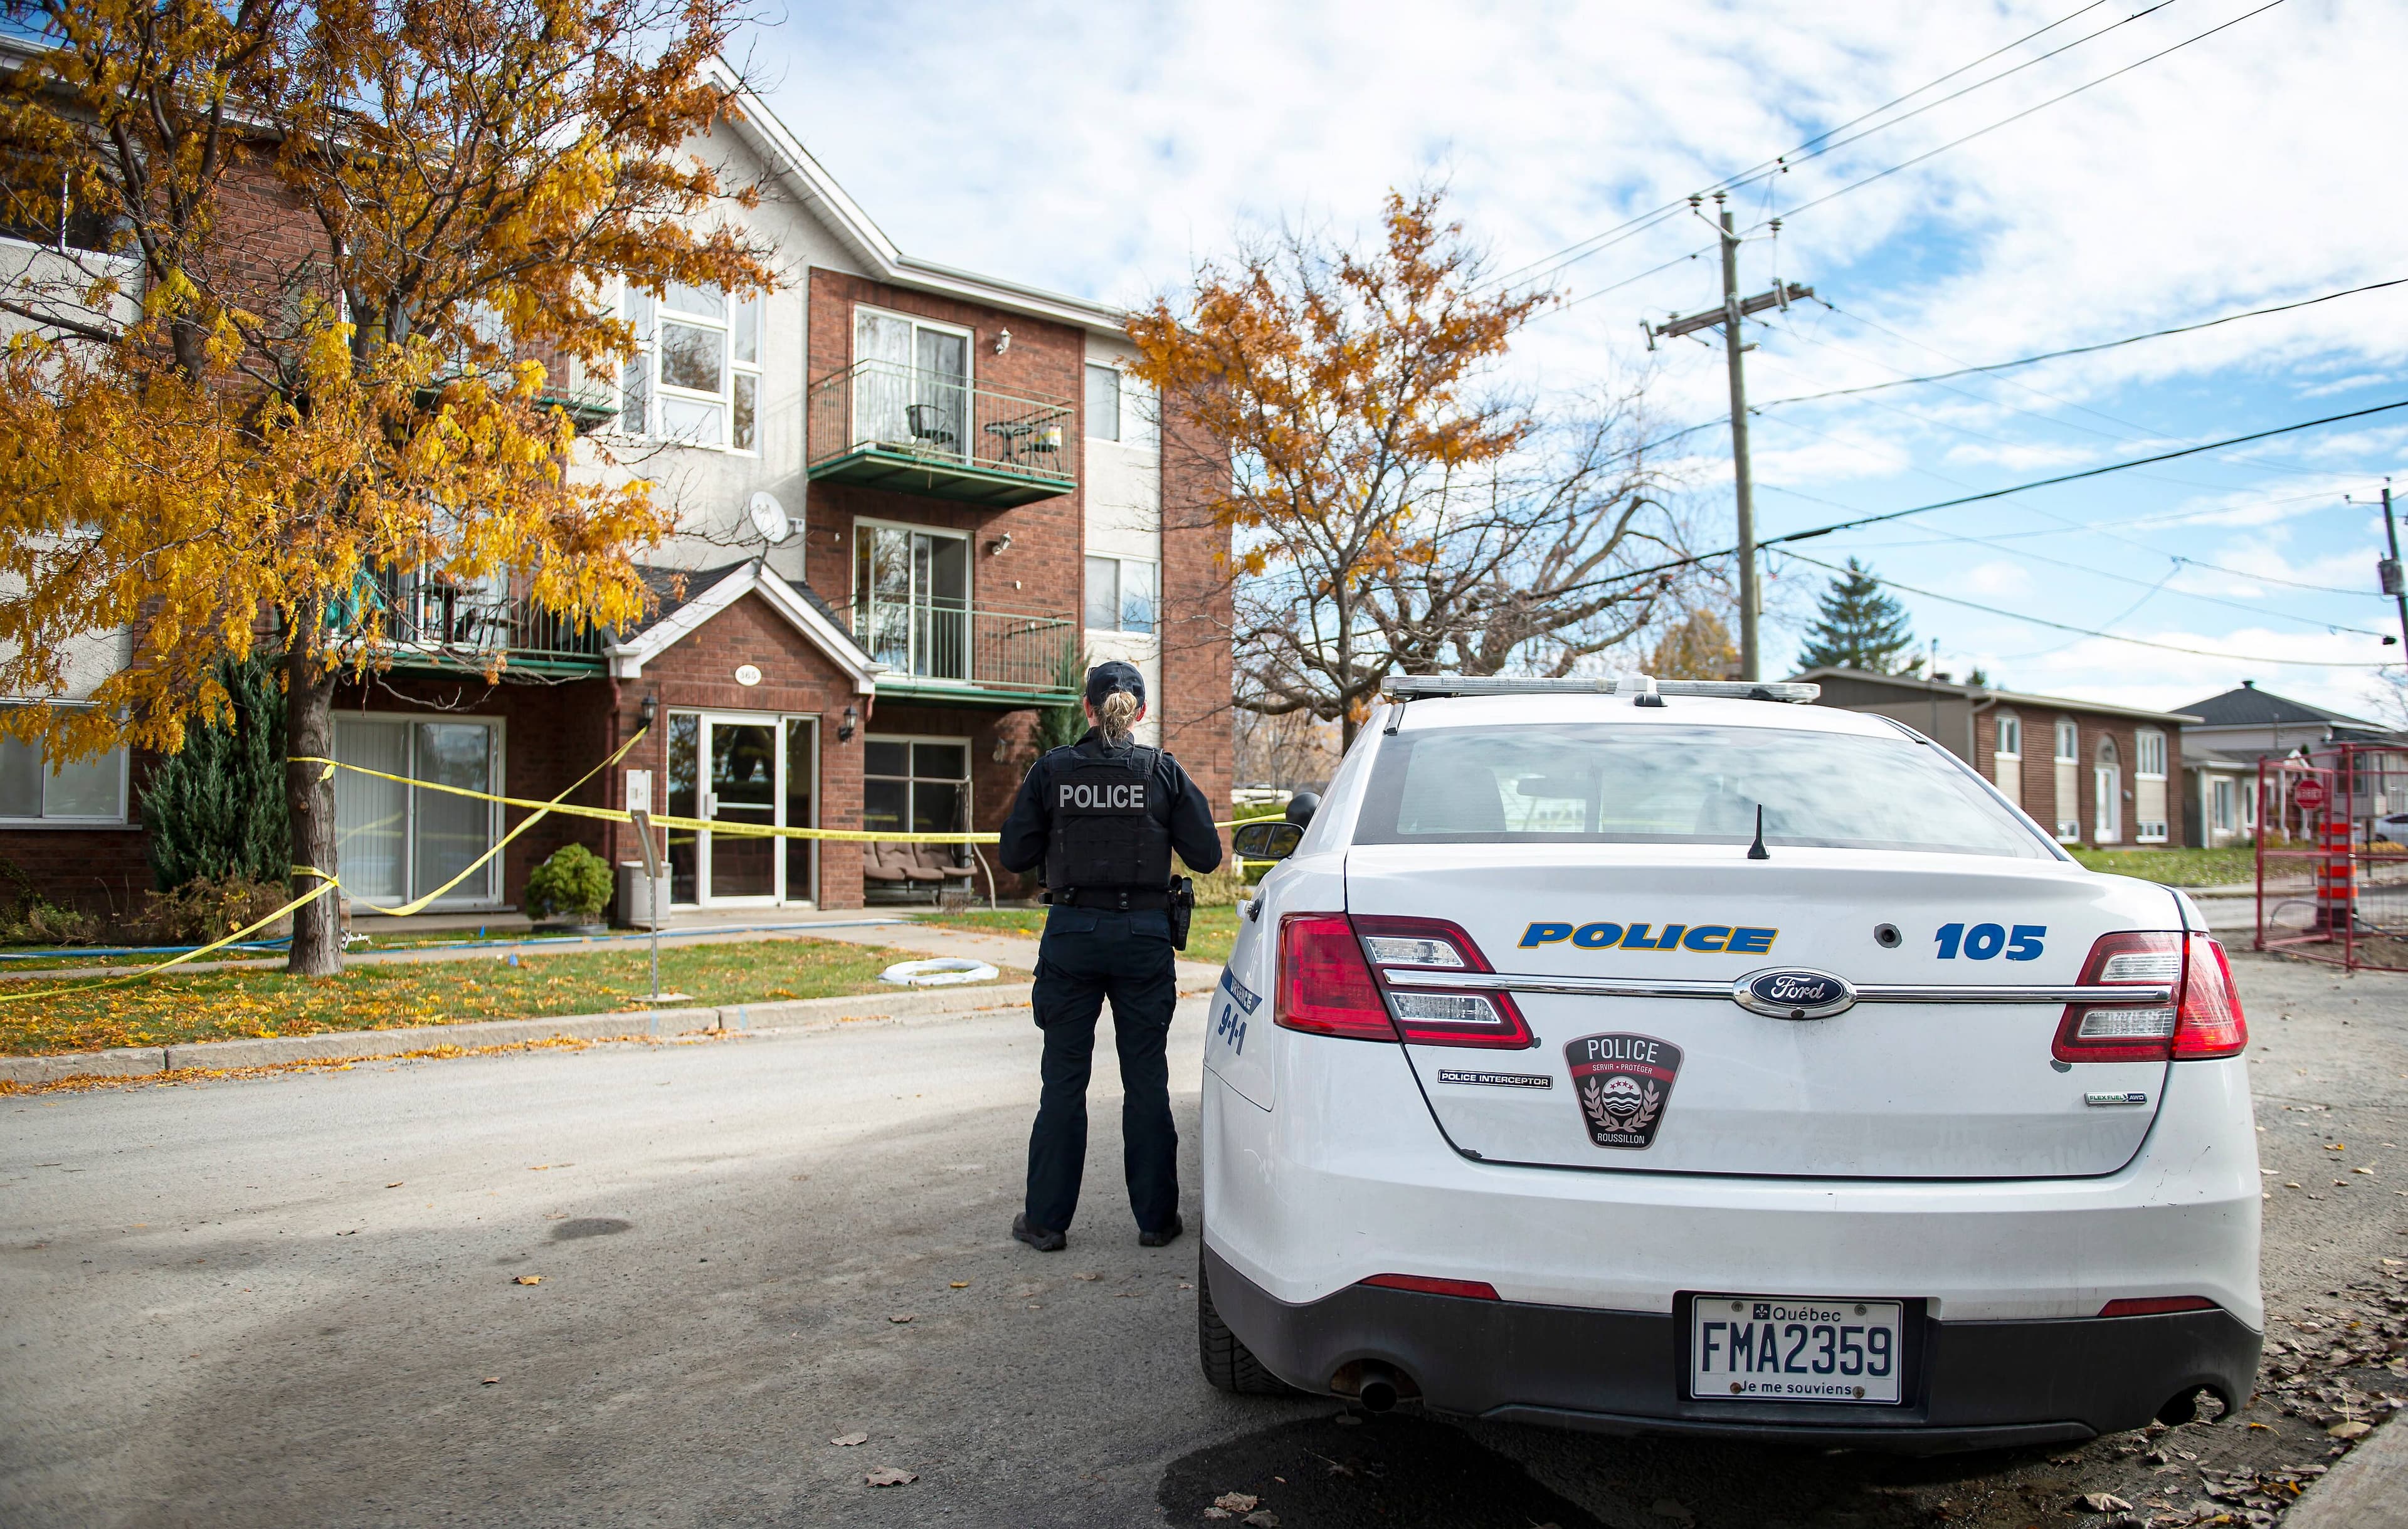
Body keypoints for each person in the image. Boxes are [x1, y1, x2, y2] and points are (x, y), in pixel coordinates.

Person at [996, 660, 1222, 1252]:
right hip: (1143, 937)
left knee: (1063, 1083)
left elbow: (1014, 854)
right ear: (1140, 712)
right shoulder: (1162, 771)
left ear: (1088, 708)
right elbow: (1206, 854)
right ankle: (1156, 1220)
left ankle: (1046, 1222)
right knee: (1146, 1080)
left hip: (1072, 934)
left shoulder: (1053, 770)